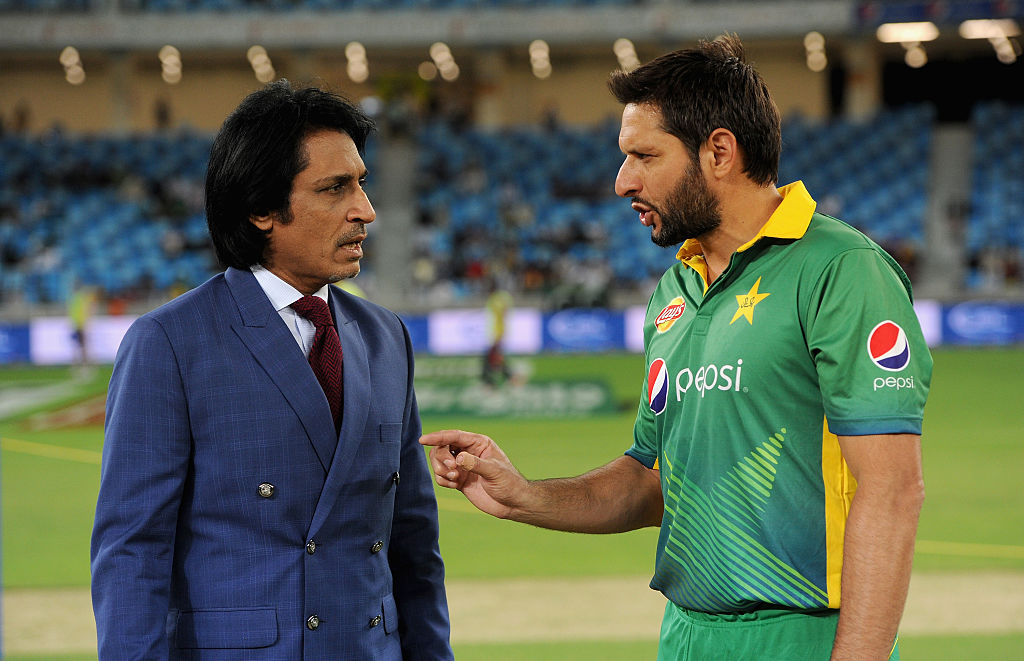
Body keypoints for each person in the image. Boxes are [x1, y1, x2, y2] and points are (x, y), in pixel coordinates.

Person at [422, 35, 930, 661]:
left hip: (802, 635)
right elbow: (653, 480)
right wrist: (525, 495)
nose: (621, 182)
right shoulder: (674, 289)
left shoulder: (842, 269)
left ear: (719, 151)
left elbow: (893, 490)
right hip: (685, 634)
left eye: (643, 156)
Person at [92, 80, 452, 661]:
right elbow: (132, 552)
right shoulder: (169, 344)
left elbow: (414, 546)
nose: (366, 210)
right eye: (335, 188)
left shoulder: (387, 337)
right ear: (261, 210)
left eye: (361, 183)